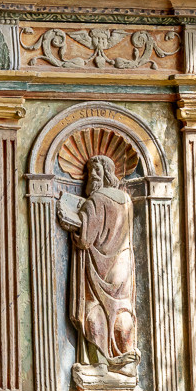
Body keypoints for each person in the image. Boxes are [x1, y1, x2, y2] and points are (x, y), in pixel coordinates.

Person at [57, 154, 139, 376]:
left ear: (106, 174)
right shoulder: (126, 200)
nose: (91, 176)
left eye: (96, 171)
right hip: (122, 266)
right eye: (89, 172)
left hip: (97, 266)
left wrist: (71, 220)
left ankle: (100, 364)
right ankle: (128, 361)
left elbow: (85, 239)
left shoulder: (96, 200)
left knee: (94, 309)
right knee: (122, 308)